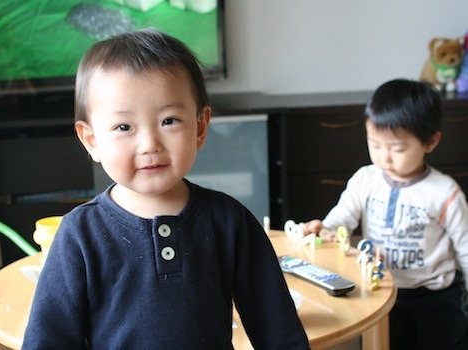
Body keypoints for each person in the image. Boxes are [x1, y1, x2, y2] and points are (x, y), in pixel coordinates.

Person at [22, 29, 309, 349]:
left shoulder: (230, 221)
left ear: (200, 126)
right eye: (124, 127)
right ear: (92, 140)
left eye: (169, 120)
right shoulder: (80, 234)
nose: (149, 145)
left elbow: (278, 327)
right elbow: (47, 339)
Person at [303, 79, 468, 349]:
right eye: (375, 144)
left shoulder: (444, 192)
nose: (384, 158)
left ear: (431, 141)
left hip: (436, 296)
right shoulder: (365, 179)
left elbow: (465, 247)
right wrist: (325, 227)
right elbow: (343, 217)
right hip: (381, 289)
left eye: (398, 148)